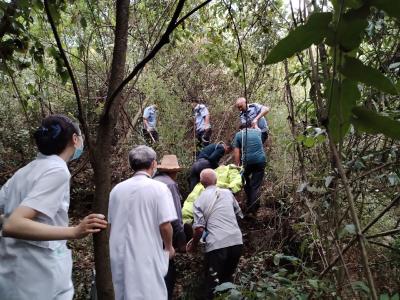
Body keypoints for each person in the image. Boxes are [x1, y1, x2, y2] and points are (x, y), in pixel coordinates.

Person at [0, 114, 108, 300]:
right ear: (75, 139)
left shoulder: (23, 172)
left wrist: (8, 217)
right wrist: (74, 231)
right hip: (37, 278)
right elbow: (14, 225)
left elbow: (7, 219)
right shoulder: (57, 170)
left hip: (10, 277)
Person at [108, 145, 177, 300]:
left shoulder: (116, 190)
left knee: (121, 292)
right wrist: (169, 247)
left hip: (117, 253)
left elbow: (110, 226)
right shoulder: (159, 188)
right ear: (153, 164)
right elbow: (165, 225)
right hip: (145, 254)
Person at [187, 169, 243, 299]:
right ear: (216, 180)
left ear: (201, 183)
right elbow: (238, 214)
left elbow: (199, 229)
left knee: (212, 284)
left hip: (216, 246)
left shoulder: (198, 201)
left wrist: (193, 245)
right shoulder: (228, 193)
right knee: (228, 281)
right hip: (236, 242)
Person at [153, 155, 186, 300]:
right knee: (168, 276)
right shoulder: (170, 185)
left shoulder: (152, 181)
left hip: (150, 238)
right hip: (165, 236)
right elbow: (175, 217)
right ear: (173, 171)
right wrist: (181, 240)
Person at [233, 123, 266, 214]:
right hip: (260, 161)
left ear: (240, 129)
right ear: (250, 127)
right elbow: (260, 128)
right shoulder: (258, 132)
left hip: (247, 162)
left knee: (245, 181)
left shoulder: (239, 135)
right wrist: (255, 124)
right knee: (255, 186)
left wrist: (238, 167)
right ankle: (253, 208)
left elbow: (237, 153)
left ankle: (250, 207)